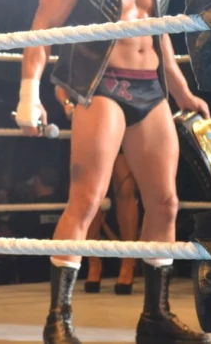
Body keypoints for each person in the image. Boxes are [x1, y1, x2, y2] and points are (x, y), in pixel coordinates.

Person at [15, 0, 211, 344]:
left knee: (165, 204)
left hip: (150, 89)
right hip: (102, 87)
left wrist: (182, 91)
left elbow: (159, 35)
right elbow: (39, 30)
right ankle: (58, 321)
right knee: (86, 202)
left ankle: (155, 319)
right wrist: (29, 94)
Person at [55, 86, 139, 295]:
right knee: (90, 197)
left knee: (126, 191)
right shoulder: (86, 54)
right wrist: (67, 104)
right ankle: (93, 262)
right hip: (93, 117)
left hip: (126, 113)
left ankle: (128, 263)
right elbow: (61, 81)